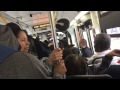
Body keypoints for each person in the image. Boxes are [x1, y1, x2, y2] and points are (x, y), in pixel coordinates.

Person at [0, 25, 67, 79]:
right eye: (23, 40)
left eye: (27, 39)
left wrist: (49, 61)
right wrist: (58, 74)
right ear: (13, 41)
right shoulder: (26, 60)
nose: (28, 43)